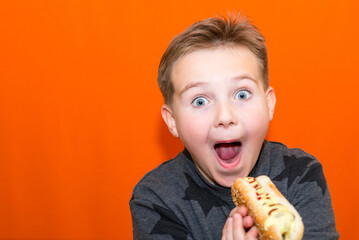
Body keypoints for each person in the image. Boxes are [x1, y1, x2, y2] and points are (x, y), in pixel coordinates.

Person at [129, 13, 339, 240]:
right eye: (200, 101)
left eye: (241, 94)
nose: (225, 116)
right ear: (172, 121)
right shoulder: (156, 199)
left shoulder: (301, 174)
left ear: (269, 105)